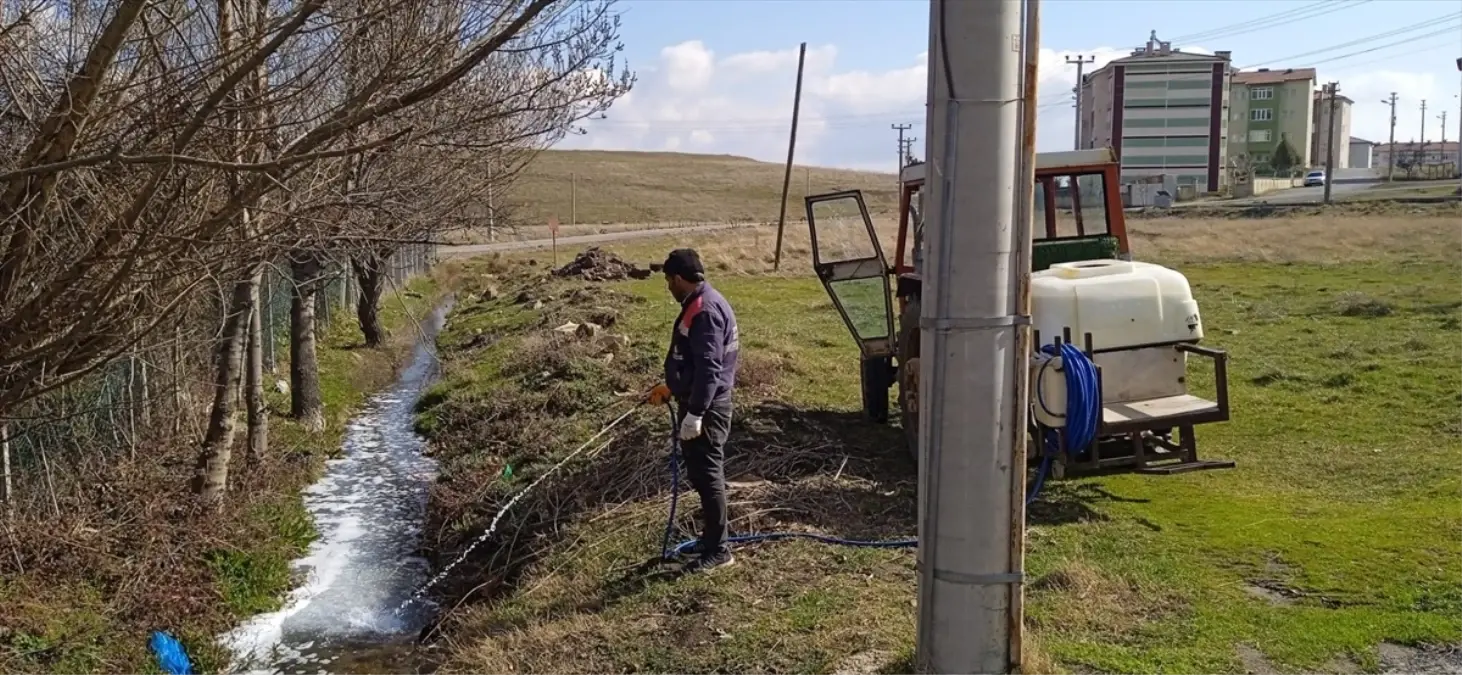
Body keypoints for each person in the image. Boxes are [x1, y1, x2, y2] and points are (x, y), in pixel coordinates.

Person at [647, 248, 739, 573]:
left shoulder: (706, 310)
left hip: (709, 408)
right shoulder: (697, 302)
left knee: (710, 475)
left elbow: (710, 369)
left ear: (680, 279)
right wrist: (672, 387)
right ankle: (711, 538)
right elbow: (693, 361)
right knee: (700, 475)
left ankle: (720, 550)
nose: (668, 287)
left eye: (669, 281)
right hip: (696, 401)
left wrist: (697, 413)